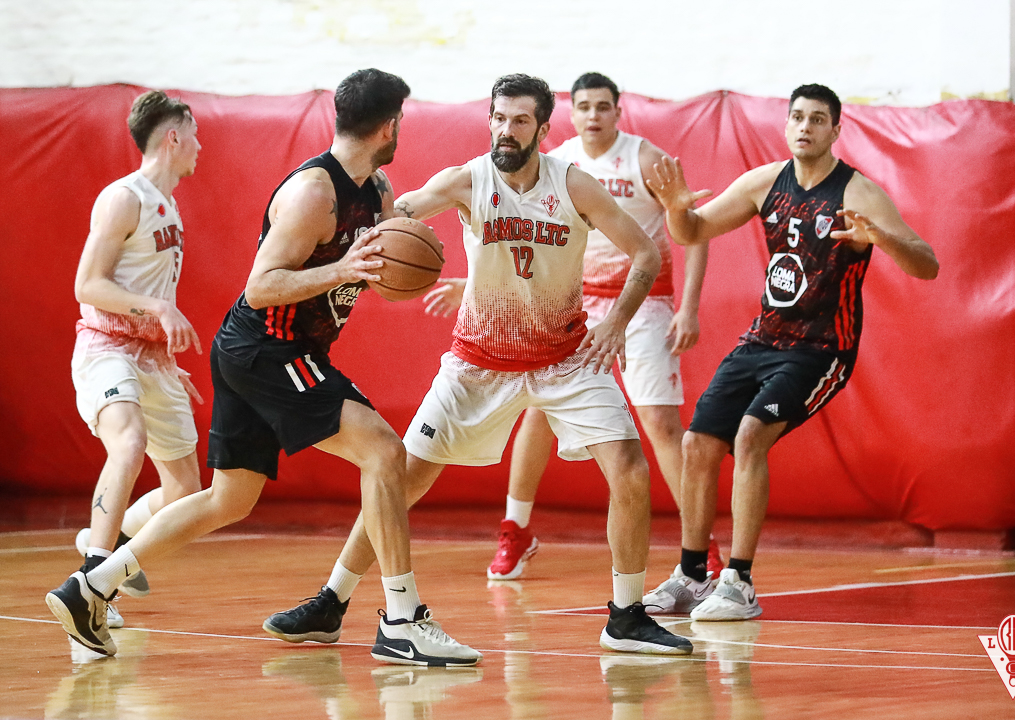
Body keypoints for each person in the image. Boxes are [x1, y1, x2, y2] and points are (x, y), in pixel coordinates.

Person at [46, 69, 480, 667]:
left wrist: (403, 274)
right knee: (384, 452)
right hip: (268, 350)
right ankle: (402, 619)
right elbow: (260, 287)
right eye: (400, 120)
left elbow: (380, 274)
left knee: (229, 500)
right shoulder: (313, 192)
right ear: (389, 125)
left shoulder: (376, 192)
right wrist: (343, 270)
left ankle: (88, 587)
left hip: (268, 351)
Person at [269, 73, 693, 655]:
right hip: (479, 362)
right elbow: (392, 219)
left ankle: (625, 615)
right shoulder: (468, 180)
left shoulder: (575, 185)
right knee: (402, 479)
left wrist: (617, 320)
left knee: (629, 466)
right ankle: (332, 601)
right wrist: (340, 246)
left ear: (544, 129)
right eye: (498, 118)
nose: (505, 130)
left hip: (565, 356)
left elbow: (647, 251)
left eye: (520, 120)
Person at [642, 84, 939, 619]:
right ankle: (690, 576)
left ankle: (741, 581)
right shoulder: (765, 182)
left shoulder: (858, 193)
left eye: (818, 119)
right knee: (696, 443)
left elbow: (926, 263)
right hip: (764, 338)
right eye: (797, 117)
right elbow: (692, 231)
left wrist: (881, 239)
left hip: (823, 348)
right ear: (786, 125)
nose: (805, 127)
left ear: (835, 130)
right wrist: (674, 207)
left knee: (751, 435)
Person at [423, 72, 720, 584]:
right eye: (584, 106)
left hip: (640, 303)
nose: (593, 116)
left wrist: (687, 307)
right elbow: (515, 240)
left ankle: (701, 547)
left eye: (603, 107)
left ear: (617, 112)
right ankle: (514, 529)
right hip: (572, 305)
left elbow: (689, 232)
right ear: (570, 115)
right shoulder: (551, 162)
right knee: (536, 415)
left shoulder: (643, 160)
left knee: (659, 425)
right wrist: (470, 283)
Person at [58, 90, 205, 632]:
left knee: (185, 494)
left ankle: (111, 540)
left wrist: (163, 349)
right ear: (173, 137)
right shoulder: (124, 198)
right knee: (129, 443)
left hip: (150, 357)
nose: (199, 146)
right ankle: (93, 579)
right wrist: (158, 308)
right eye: (194, 135)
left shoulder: (169, 206)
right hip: (106, 346)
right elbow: (88, 285)